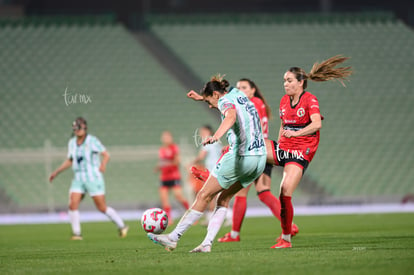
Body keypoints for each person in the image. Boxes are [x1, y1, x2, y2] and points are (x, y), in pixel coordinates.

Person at [147, 75, 267, 252]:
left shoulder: (225, 101)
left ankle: (173, 238)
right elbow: (221, 98)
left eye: (211, 101)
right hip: (259, 159)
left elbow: (230, 115)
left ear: (217, 95)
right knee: (223, 198)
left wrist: (216, 136)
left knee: (203, 195)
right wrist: (203, 98)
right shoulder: (237, 94)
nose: (211, 106)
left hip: (241, 156)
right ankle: (206, 243)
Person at [266, 55, 352, 248]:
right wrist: (281, 141)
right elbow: (283, 124)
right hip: (285, 148)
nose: (285, 84)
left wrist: (295, 135)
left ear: (301, 82)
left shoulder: (309, 99)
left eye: (289, 80)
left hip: (301, 151)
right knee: (255, 149)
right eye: (284, 81)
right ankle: (222, 170)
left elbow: (317, 124)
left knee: (285, 191)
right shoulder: (283, 101)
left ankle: (286, 238)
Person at [217, 78, 298, 243]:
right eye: (238, 87)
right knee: (263, 192)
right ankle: (291, 226)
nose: (240, 90)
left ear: (253, 90)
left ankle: (234, 235)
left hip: (254, 151)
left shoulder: (251, 103)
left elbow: (254, 128)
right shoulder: (258, 103)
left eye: (244, 87)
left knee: (241, 192)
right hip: (264, 150)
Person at [49, 117, 129, 240]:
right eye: (76, 128)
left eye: (80, 127)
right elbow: (70, 160)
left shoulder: (92, 141)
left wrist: (103, 164)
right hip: (78, 178)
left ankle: (122, 225)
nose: (78, 130)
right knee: (72, 204)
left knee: (102, 207)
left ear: (85, 128)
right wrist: (57, 171)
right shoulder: (72, 143)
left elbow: (106, 154)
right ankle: (77, 233)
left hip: (93, 178)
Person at [189, 125, 223, 225]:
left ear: (208, 131)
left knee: (209, 194)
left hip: (213, 171)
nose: (201, 133)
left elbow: (201, 156)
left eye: (202, 131)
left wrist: (191, 162)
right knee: (215, 195)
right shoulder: (217, 142)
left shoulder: (208, 141)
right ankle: (214, 218)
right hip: (219, 169)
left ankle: (223, 216)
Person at [155, 131, 190, 225]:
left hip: (174, 176)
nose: (165, 139)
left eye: (167, 137)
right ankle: (169, 219)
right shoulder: (161, 149)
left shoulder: (174, 148)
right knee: (164, 198)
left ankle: (190, 214)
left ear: (171, 138)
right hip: (164, 177)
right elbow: (161, 162)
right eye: (164, 137)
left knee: (178, 196)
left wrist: (166, 164)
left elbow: (177, 162)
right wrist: (158, 167)